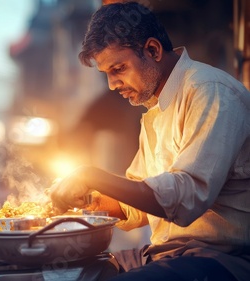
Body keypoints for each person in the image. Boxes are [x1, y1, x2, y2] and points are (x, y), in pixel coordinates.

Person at [49, 2, 250, 281]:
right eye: (106, 74)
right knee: (70, 275)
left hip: (221, 258)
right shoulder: (155, 111)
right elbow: (139, 202)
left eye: (118, 68)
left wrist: (92, 175)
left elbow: (186, 197)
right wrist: (87, 201)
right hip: (166, 253)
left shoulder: (210, 92)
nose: (111, 84)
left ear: (153, 50)